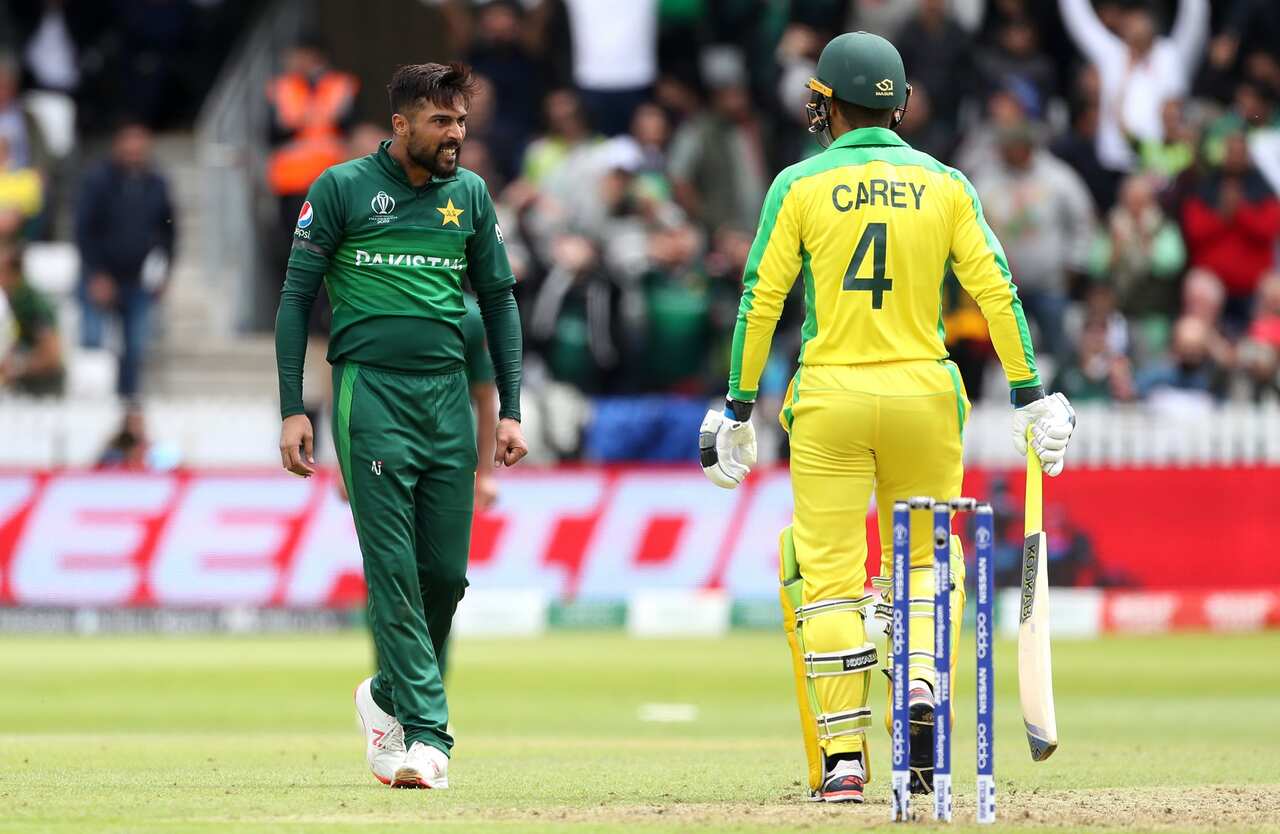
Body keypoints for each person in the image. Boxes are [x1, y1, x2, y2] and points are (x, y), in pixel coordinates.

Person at [697, 32, 1076, 804]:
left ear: (827, 104)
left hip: (831, 398)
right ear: (900, 104)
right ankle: (923, 694)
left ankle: (844, 761)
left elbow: (759, 301)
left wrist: (735, 407)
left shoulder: (798, 184)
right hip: (925, 397)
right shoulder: (945, 183)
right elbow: (995, 288)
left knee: (830, 578)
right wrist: (1032, 392)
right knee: (925, 568)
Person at [274, 62, 527, 790]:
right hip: (369, 395)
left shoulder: (471, 195)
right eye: (442, 122)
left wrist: (509, 409)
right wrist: (293, 404)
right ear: (401, 125)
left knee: (443, 576)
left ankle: (383, 695)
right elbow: (296, 300)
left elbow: (501, 301)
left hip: (447, 397)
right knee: (392, 573)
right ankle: (429, 738)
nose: (456, 135)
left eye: (462, 122)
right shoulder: (342, 189)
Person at [74, 120, 174, 399]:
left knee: (136, 347)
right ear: (117, 145)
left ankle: (127, 407)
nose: (134, 153)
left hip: (138, 280)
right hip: (101, 276)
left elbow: (168, 231)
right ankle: (91, 408)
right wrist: (95, 273)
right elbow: (84, 229)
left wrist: (164, 270)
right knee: (93, 346)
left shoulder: (156, 183)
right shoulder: (98, 180)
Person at [0, 241, 62, 395]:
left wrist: (17, 368)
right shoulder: (8, 300)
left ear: (15, 273)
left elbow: (52, 353)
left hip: (40, 389)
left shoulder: (32, 304)